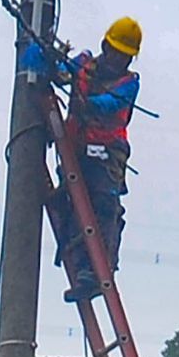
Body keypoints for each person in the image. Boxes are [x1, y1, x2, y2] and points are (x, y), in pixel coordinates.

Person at [44, 18, 143, 302]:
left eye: (124, 56)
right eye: (115, 52)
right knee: (72, 206)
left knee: (103, 206)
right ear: (105, 46)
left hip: (107, 153)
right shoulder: (84, 63)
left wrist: (88, 105)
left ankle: (99, 268)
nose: (118, 60)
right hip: (76, 148)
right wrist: (53, 61)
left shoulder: (129, 83)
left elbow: (112, 104)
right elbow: (62, 72)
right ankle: (78, 263)